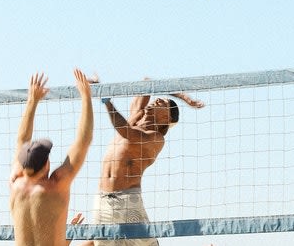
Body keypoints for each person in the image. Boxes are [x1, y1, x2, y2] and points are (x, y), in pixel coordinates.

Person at [77, 82, 204, 246]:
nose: (157, 100)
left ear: (166, 118)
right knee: (97, 242)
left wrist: (107, 101)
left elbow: (125, 131)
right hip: (103, 199)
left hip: (128, 200)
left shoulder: (156, 138)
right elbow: (147, 83)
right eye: (159, 99)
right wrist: (181, 96)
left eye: (163, 104)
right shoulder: (135, 117)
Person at [10, 69, 94, 246]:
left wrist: (32, 101)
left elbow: (22, 140)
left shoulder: (15, 182)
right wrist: (86, 96)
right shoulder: (56, 185)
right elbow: (83, 140)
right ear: (46, 164)